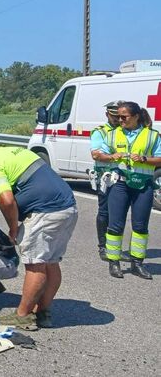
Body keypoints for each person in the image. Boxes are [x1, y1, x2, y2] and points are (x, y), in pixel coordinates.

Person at [0, 136, 77, 330]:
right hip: (67, 208)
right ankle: (43, 313)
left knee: (35, 264)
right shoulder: (11, 151)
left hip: (44, 212)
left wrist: (13, 228)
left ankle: (22, 315)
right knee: (50, 262)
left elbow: (6, 200)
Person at [92, 101, 160, 280]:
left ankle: (137, 263)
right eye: (118, 117)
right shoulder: (113, 135)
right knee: (115, 224)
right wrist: (110, 156)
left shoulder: (152, 136)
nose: (120, 120)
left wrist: (144, 159)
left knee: (140, 226)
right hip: (120, 184)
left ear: (136, 116)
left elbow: (160, 158)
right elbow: (99, 154)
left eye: (124, 117)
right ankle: (113, 262)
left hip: (143, 185)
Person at [89, 100, 123, 261]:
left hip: (123, 176)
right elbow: (95, 154)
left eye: (120, 116)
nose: (117, 119)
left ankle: (114, 245)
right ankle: (103, 246)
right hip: (106, 177)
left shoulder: (125, 131)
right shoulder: (100, 132)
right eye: (113, 116)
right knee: (105, 211)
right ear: (107, 115)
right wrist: (112, 157)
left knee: (119, 212)